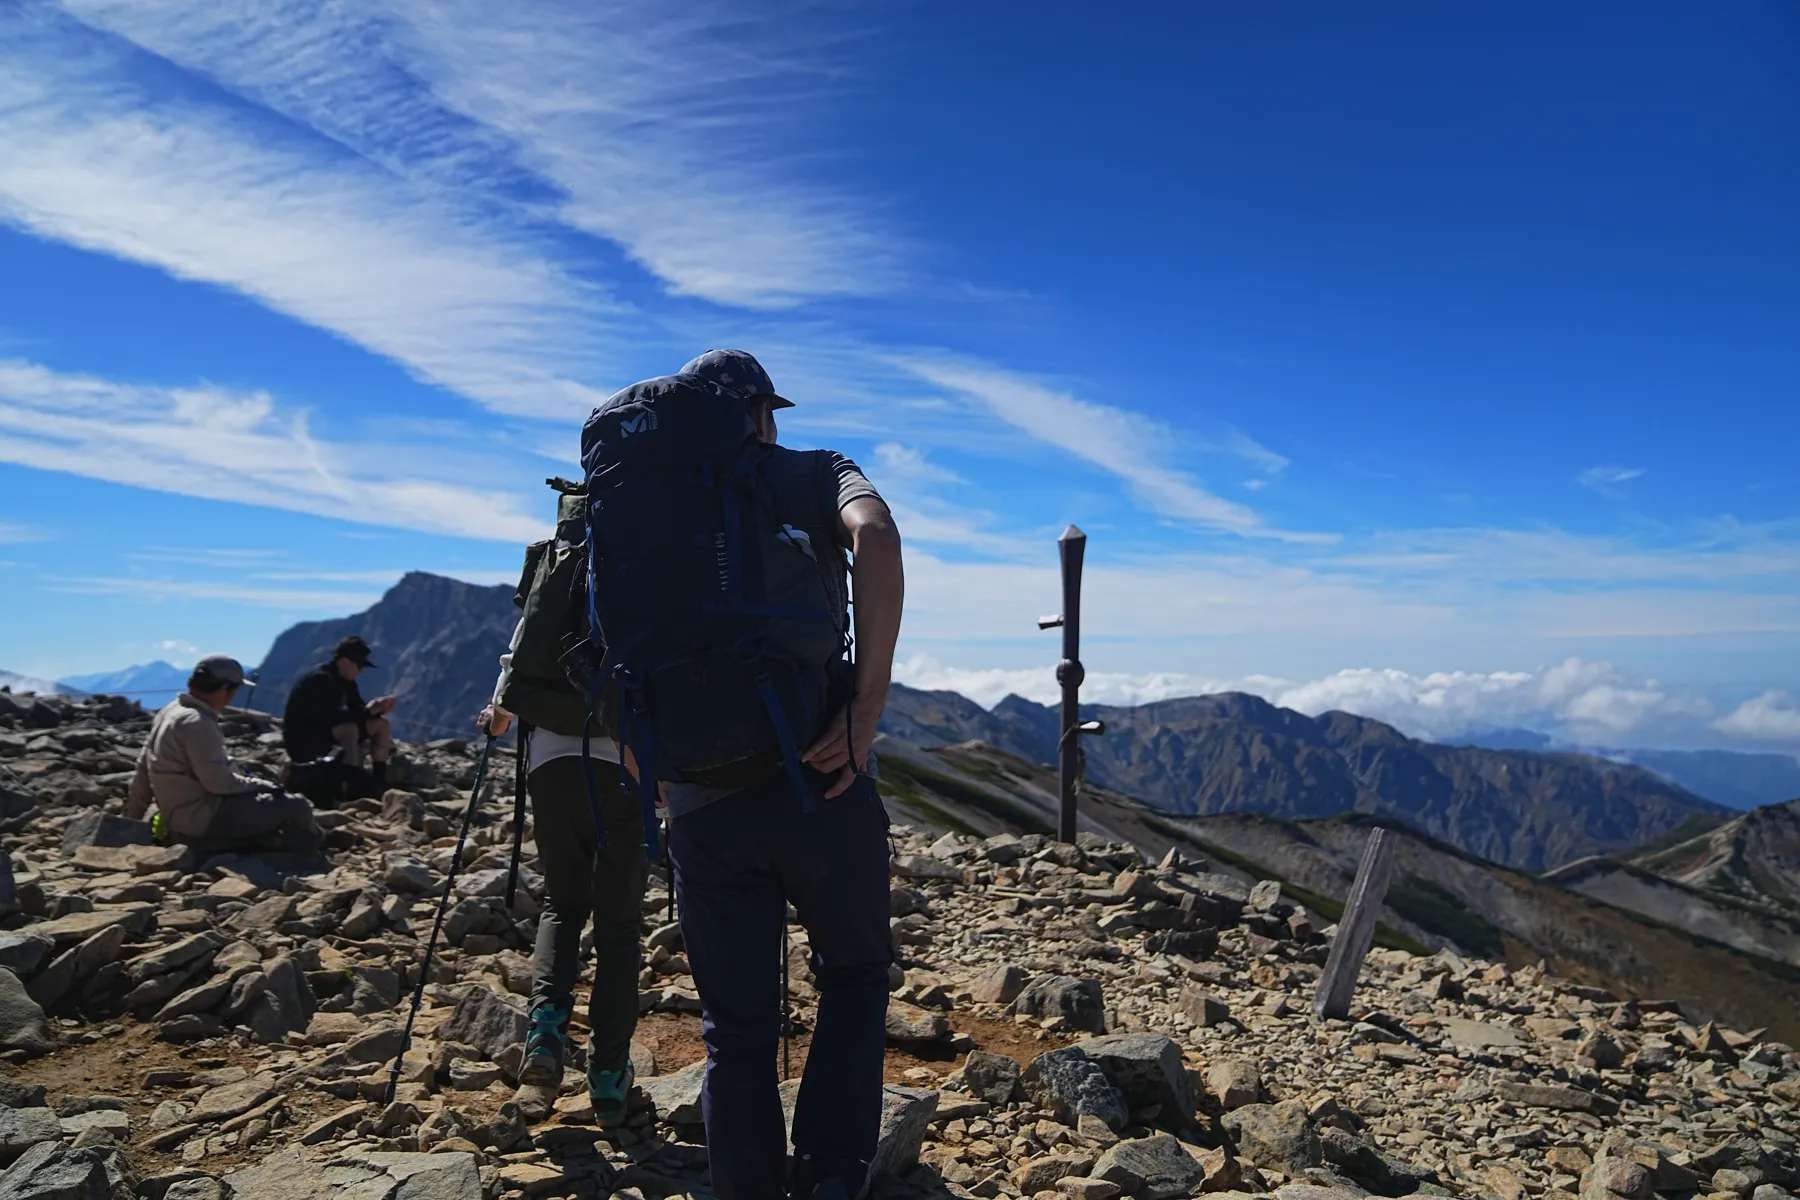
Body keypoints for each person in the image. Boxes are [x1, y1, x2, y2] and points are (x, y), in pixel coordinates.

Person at [654, 350, 904, 1200]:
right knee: (857, 974)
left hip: (700, 804)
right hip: (821, 782)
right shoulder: (815, 471)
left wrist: (654, 766)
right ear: (761, 413)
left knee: (736, 1025)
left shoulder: (636, 501)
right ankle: (834, 1177)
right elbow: (875, 533)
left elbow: (590, 643)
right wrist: (865, 706)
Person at [476, 677, 647, 1125]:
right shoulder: (644, 603)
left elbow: (512, 690)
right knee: (619, 926)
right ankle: (609, 1077)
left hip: (551, 766)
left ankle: (546, 1032)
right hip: (626, 767)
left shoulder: (545, 604)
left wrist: (494, 719)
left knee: (562, 903)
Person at [126, 654, 321, 851]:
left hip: (177, 818)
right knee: (296, 806)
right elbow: (218, 783)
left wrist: (132, 821)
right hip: (203, 818)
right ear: (223, 689)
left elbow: (143, 769)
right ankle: (311, 850)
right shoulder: (197, 722)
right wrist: (264, 786)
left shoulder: (170, 711)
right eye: (234, 690)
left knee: (261, 803)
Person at [282, 636, 396, 784]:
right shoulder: (319, 680)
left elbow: (358, 710)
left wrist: (377, 710)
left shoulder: (347, 682)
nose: (360, 672)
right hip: (304, 739)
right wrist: (367, 712)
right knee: (350, 730)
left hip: (326, 734)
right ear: (344, 662)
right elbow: (328, 719)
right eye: (359, 666)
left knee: (381, 724)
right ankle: (349, 780)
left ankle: (379, 778)